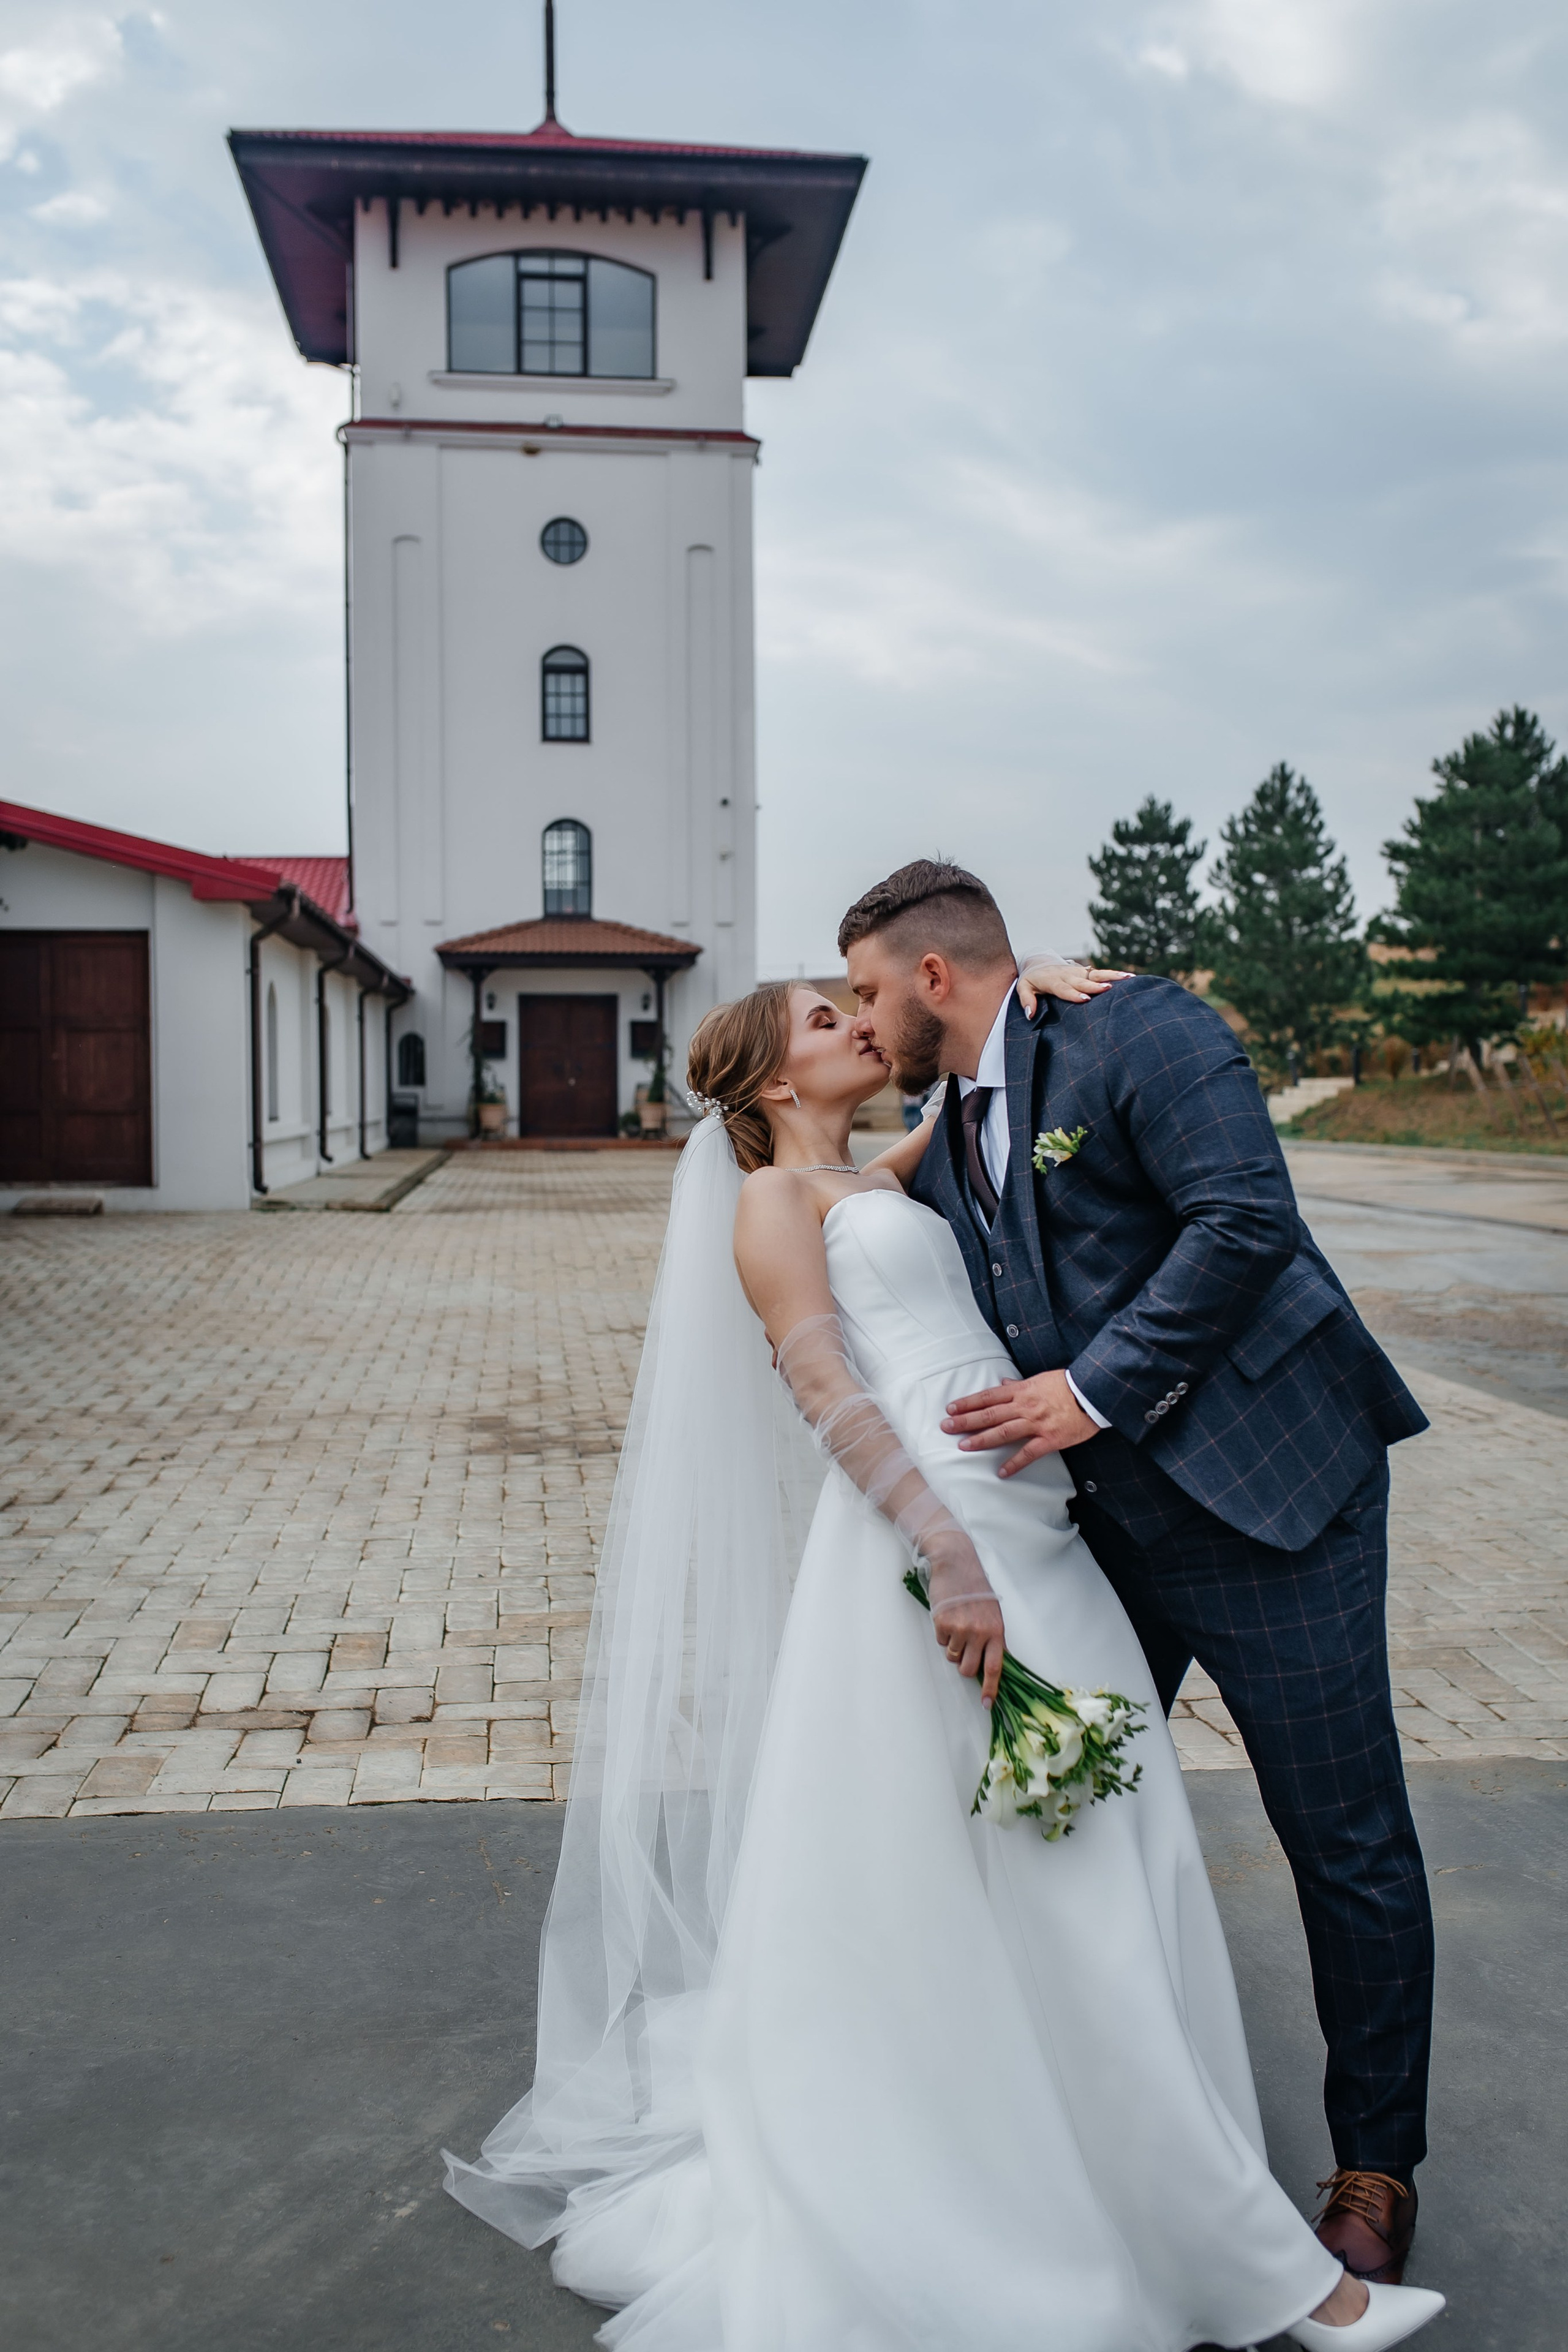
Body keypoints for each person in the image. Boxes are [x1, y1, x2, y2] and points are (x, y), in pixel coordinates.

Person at [444, 957, 1444, 2351]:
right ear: (771, 1080)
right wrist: (944, 1552)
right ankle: (1242, 2261)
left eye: (859, 995)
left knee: (1098, 1848)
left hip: (1046, 1530)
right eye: (823, 1014)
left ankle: (1092, 2166)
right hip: (943, 1543)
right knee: (1060, 1873)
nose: (858, 1020)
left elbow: (978, 1074)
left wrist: (1013, 977)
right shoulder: (770, 1200)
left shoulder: (880, 1176)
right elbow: (819, 1379)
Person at [841, 860, 1436, 2297]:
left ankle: (1373, 2165)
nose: (860, 1022)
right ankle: (1081, 2133)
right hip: (1098, 1538)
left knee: (1339, 1837)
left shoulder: (1141, 1030)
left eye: (866, 990)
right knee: (1062, 1806)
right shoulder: (951, 1111)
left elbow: (1241, 1218)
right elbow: (853, 1195)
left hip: (1269, 1503)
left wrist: (1087, 1391)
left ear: (933, 978)